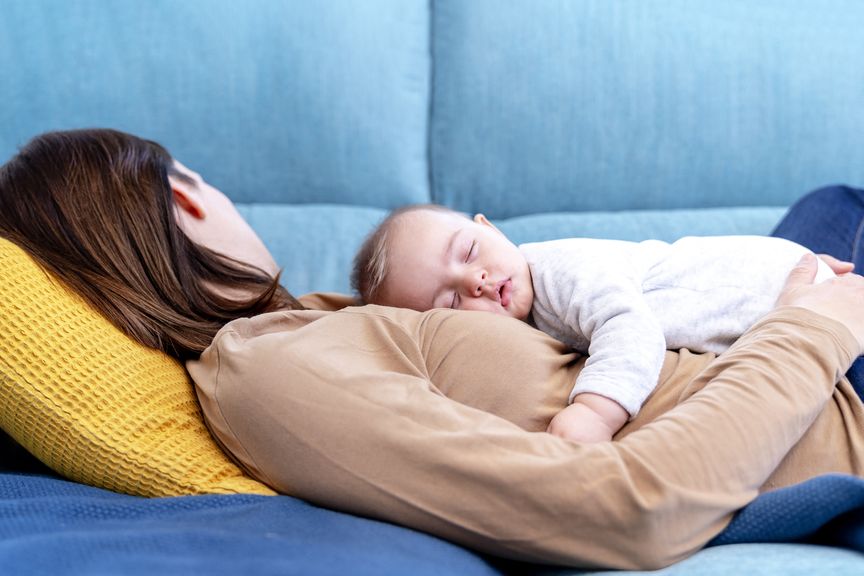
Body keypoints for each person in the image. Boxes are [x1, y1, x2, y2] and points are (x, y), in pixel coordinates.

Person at [3, 129, 864, 570]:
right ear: (186, 202)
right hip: (819, 405)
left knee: (836, 202)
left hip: (745, 348)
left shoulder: (303, 325)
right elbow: (624, 509)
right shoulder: (269, 374)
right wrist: (815, 326)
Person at [350, 205, 841, 442]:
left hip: (777, 293)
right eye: (450, 301)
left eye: (470, 252)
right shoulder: (524, 319)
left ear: (489, 228)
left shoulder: (559, 271)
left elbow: (631, 327)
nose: (474, 281)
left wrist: (593, 413)